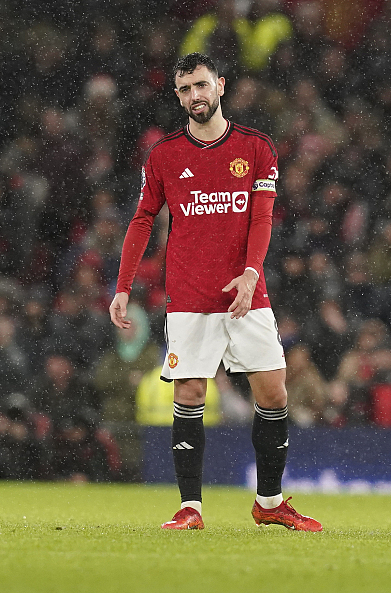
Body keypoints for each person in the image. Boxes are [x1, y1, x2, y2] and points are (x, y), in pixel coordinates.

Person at [108, 53, 321, 532]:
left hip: (247, 292)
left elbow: (262, 216)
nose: (194, 97)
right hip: (188, 293)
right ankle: (190, 508)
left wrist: (250, 272)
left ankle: (269, 503)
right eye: (184, 90)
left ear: (220, 86)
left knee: (273, 391)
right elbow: (143, 219)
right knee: (189, 391)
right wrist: (123, 287)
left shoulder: (257, 147)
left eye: (201, 86)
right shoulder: (164, 155)